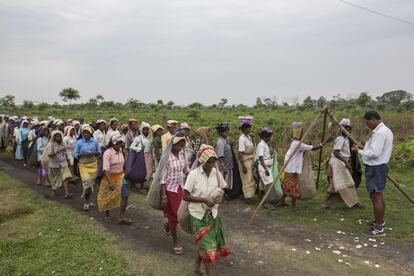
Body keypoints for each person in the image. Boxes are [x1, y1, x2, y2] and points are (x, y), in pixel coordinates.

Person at [183, 145, 230, 276]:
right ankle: (209, 274)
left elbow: (222, 189)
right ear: (202, 161)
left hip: (212, 214)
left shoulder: (217, 173)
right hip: (197, 215)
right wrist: (204, 200)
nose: (211, 164)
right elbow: (185, 196)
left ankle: (197, 265)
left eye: (213, 161)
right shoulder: (193, 175)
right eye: (208, 161)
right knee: (206, 245)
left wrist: (220, 198)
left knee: (206, 243)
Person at [352, 111, 393, 237]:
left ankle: (378, 228)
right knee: (377, 195)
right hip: (378, 166)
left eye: (367, 122)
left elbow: (374, 153)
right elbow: (374, 149)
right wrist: (364, 148)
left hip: (376, 167)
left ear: (373, 120)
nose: (367, 125)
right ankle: (379, 221)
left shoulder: (380, 133)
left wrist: (358, 151)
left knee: (376, 197)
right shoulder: (385, 131)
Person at [279, 122, 330, 209]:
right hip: (291, 168)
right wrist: (324, 143)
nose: (303, 134)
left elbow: (306, 148)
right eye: (302, 132)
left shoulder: (296, 142)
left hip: (289, 167)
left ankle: (282, 201)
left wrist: (309, 145)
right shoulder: (297, 144)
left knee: (288, 185)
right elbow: (313, 148)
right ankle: (293, 206)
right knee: (293, 186)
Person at [323, 119, 364, 209]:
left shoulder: (345, 138)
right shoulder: (341, 139)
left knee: (348, 183)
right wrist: (346, 162)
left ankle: (354, 202)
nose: (349, 131)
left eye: (349, 129)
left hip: (340, 162)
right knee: (338, 184)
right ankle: (327, 203)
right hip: (338, 163)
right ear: (343, 129)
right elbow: (336, 152)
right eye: (347, 129)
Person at [160, 131, 188, 255]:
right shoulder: (167, 158)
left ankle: (168, 225)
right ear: (173, 144)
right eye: (178, 145)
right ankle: (175, 242)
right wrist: (164, 196)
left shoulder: (181, 155)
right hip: (170, 190)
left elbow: (186, 170)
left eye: (182, 145)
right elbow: (162, 178)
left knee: (180, 214)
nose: (180, 147)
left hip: (180, 188)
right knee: (175, 216)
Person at [97, 133, 131, 224]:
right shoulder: (108, 153)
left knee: (125, 195)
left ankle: (121, 217)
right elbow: (105, 169)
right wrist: (110, 182)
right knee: (108, 197)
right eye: (117, 143)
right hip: (110, 177)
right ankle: (107, 214)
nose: (119, 145)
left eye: (120, 143)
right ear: (112, 143)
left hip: (120, 176)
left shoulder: (121, 151)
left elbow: (124, 163)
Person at [74, 125, 101, 211]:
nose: (86, 134)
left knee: (91, 184)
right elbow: (75, 154)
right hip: (83, 165)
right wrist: (82, 155)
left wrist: (94, 153)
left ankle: (89, 200)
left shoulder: (94, 141)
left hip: (93, 164)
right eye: (84, 132)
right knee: (87, 183)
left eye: (88, 133)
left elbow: (99, 152)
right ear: (82, 133)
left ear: (90, 133)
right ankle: (86, 202)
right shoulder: (79, 142)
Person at [215, 122, 242, 199]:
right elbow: (220, 156)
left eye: (227, 132)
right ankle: (221, 196)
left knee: (227, 181)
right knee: (223, 181)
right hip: (225, 166)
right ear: (221, 133)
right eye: (225, 132)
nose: (227, 133)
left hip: (228, 165)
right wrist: (224, 168)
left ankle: (225, 195)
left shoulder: (225, 140)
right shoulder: (220, 142)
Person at [47, 130, 73, 198]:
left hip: (63, 163)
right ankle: (54, 190)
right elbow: (49, 155)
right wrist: (57, 151)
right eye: (57, 136)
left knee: (66, 177)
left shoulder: (63, 143)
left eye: (59, 136)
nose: (58, 137)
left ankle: (67, 193)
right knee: (54, 179)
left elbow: (65, 152)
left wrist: (68, 160)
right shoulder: (50, 144)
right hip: (54, 164)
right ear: (54, 137)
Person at [255, 128, 276, 210]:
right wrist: (265, 169)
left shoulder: (264, 144)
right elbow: (260, 157)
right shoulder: (261, 145)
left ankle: (260, 200)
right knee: (268, 184)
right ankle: (266, 202)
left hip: (266, 166)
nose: (270, 139)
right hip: (263, 166)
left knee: (263, 184)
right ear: (264, 137)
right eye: (269, 137)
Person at [130, 122, 153, 192]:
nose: (146, 131)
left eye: (147, 129)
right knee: (141, 170)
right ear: (141, 130)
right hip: (141, 156)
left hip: (148, 156)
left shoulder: (150, 138)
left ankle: (142, 186)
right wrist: (139, 149)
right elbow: (132, 146)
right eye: (144, 129)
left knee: (147, 171)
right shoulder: (138, 138)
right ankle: (138, 185)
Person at [237, 116, 256, 201]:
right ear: (245, 129)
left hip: (250, 159)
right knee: (246, 179)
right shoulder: (241, 139)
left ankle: (250, 195)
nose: (250, 129)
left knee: (250, 177)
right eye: (249, 128)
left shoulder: (248, 137)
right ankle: (247, 196)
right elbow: (240, 152)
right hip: (245, 160)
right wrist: (243, 165)